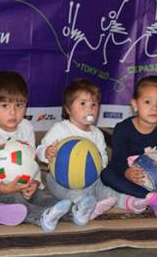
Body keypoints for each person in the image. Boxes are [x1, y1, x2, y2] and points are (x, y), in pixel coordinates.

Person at [0, 71, 71, 231]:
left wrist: (34, 182)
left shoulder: (26, 127)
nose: (13, 112)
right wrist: (3, 187)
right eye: (5, 106)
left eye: (19, 105)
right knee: (15, 197)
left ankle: (72, 211)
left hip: (21, 179)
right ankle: (40, 216)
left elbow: (31, 161)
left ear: (26, 105)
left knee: (41, 195)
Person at [100, 76, 157, 217]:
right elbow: (118, 160)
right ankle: (152, 198)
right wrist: (126, 172)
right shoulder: (122, 129)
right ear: (135, 104)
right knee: (106, 174)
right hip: (137, 180)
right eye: (147, 102)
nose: (154, 108)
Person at [36, 79, 119, 224]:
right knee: (63, 188)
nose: (89, 109)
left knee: (103, 186)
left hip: (89, 179)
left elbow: (103, 157)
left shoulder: (97, 134)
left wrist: (99, 165)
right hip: (61, 179)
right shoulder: (61, 129)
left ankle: (122, 200)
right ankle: (83, 205)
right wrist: (47, 152)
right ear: (68, 109)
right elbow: (40, 150)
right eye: (83, 104)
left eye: (94, 104)